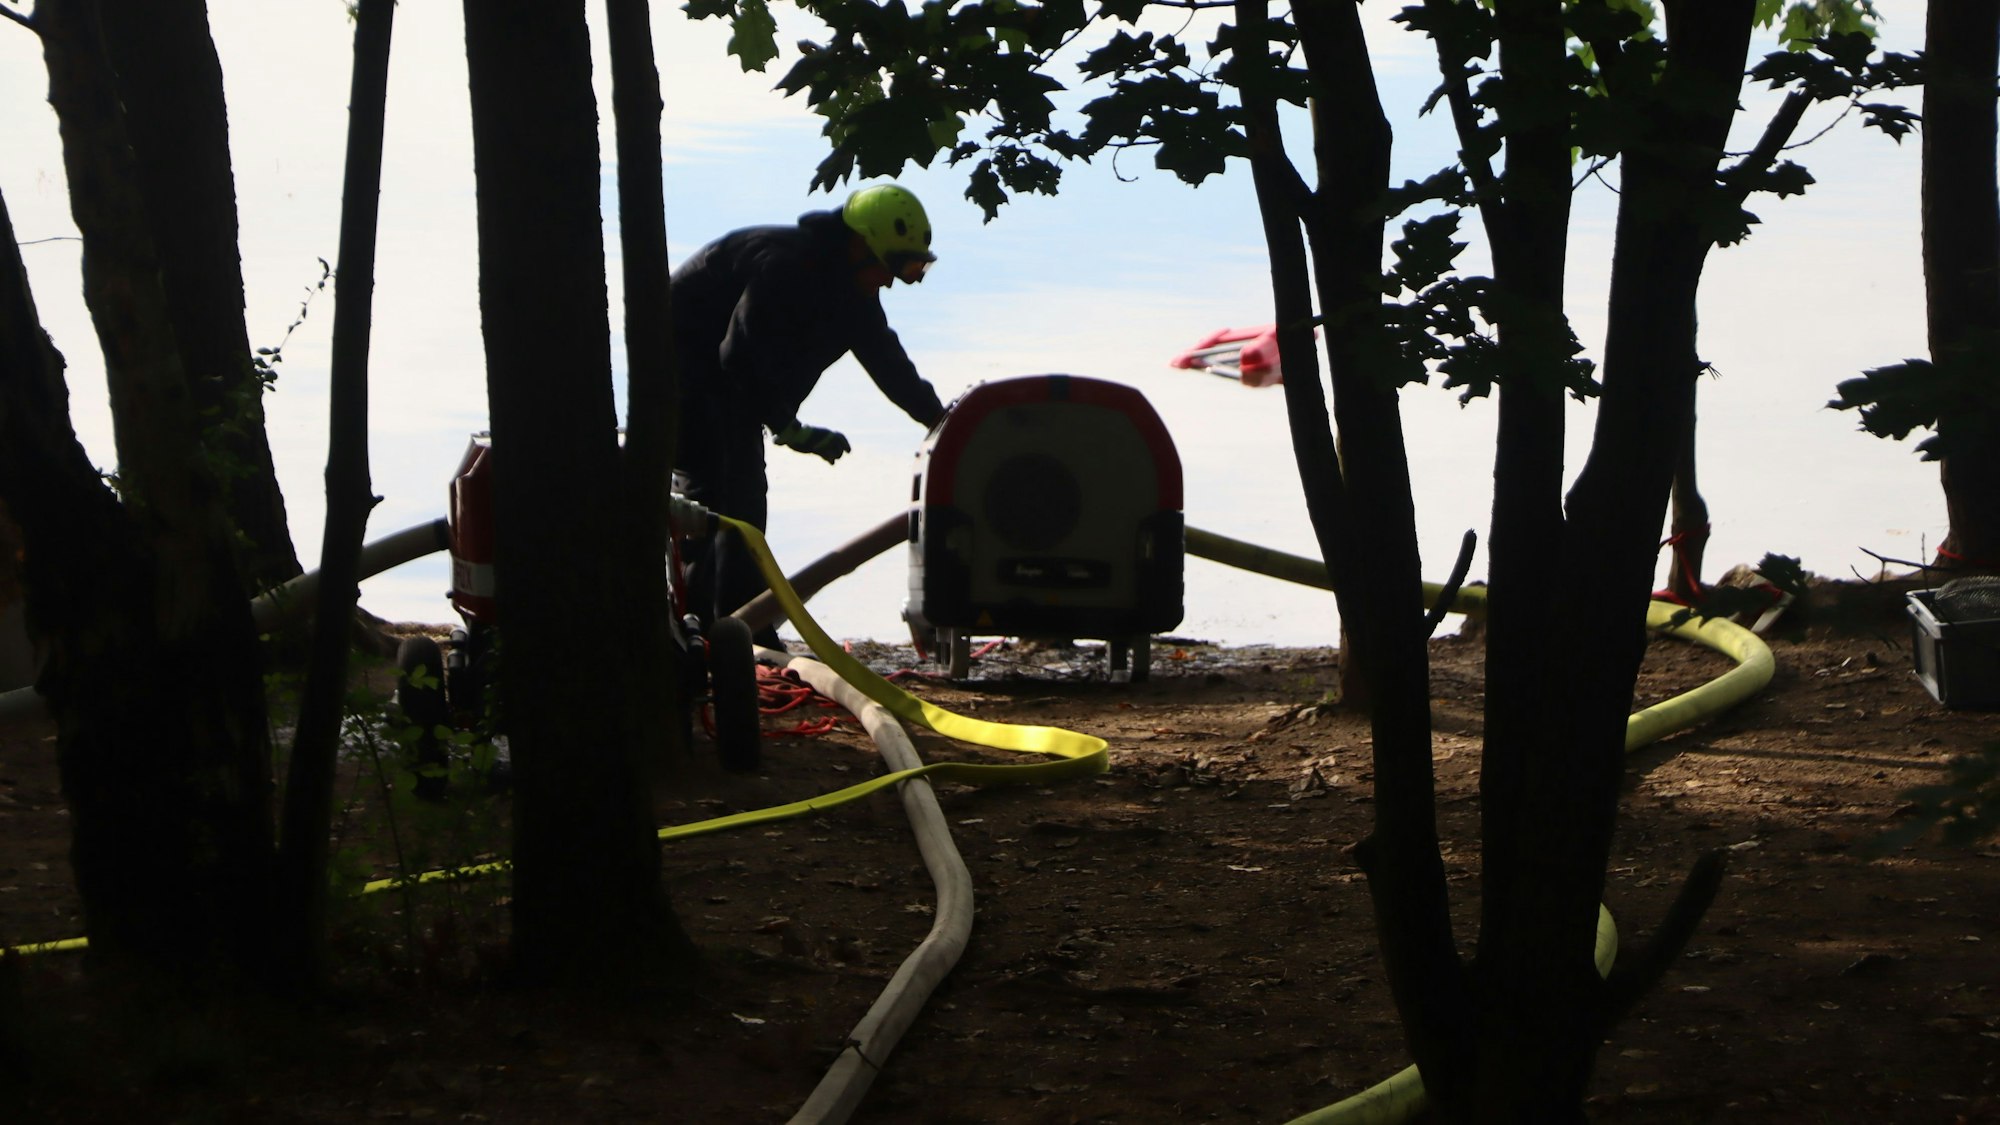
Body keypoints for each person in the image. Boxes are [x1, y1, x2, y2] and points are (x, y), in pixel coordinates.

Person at [671, 183, 947, 650]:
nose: (890, 281)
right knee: (724, 503)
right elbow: (737, 355)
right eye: (889, 265)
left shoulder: (851, 291)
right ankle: (724, 632)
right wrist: (787, 426)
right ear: (860, 244)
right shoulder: (786, 265)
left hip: (736, 388)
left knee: (740, 503)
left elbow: (889, 364)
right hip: (687, 375)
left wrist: (942, 423)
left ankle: (732, 629)